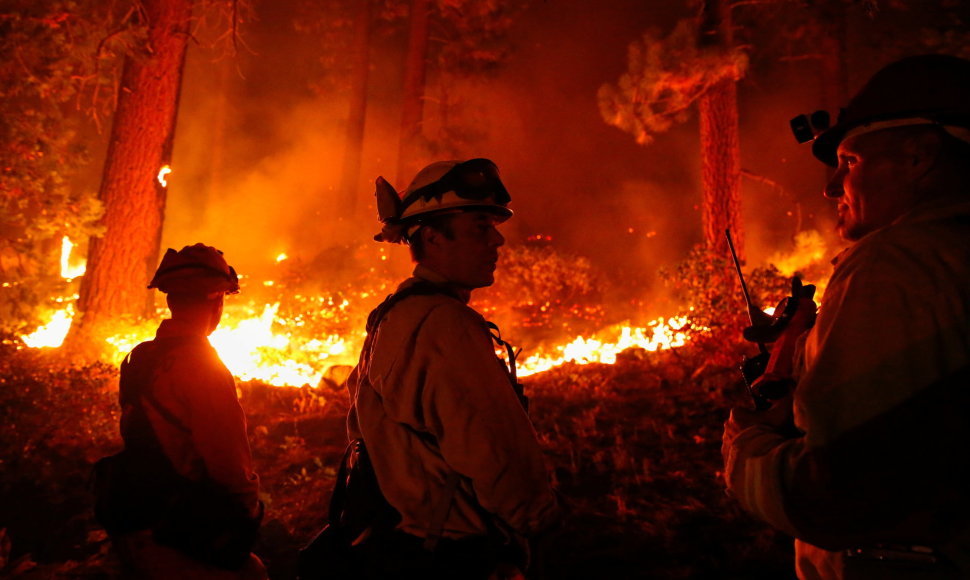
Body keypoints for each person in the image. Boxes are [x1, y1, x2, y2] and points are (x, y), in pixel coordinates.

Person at [721, 53, 970, 580]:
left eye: (851, 162)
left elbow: (836, 494)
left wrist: (746, 449)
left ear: (919, 157)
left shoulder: (895, 261)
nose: (832, 187)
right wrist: (803, 356)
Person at [321, 159, 561, 579]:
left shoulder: (392, 316)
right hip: (456, 556)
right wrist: (540, 523)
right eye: (479, 229)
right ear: (432, 237)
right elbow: (492, 447)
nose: (498, 240)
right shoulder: (446, 326)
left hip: (404, 547)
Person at [95, 244, 267, 579]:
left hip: (135, 517)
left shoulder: (141, 357)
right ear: (217, 301)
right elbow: (230, 467)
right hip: (176, 529)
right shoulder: (203, 368)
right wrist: (250, 517)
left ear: (170, 299)